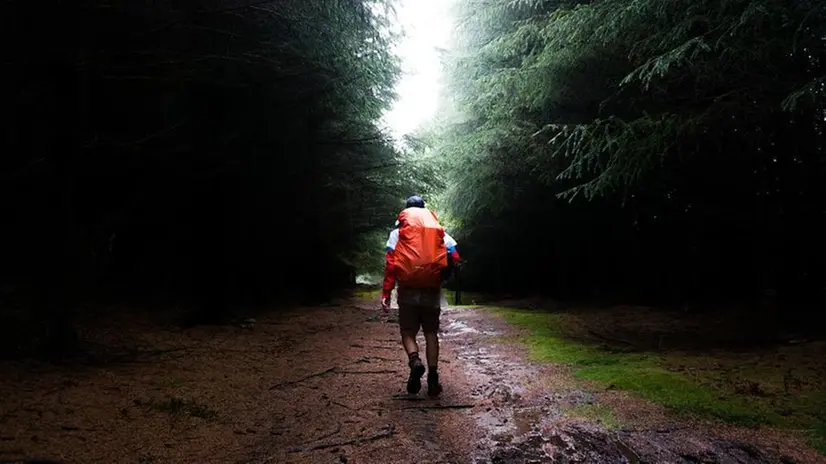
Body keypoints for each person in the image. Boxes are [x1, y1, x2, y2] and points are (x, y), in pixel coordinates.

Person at [381, 195, 461, 396]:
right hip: (432, 288)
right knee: (431, 332)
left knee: (408, 331)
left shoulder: (397, 233)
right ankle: (433, 379)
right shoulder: (437, 231)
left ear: (406, 212)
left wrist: (386, 293)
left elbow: (391, 265)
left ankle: (415, 361)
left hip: (407, 288)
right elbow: (455, 256)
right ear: (424, 210)